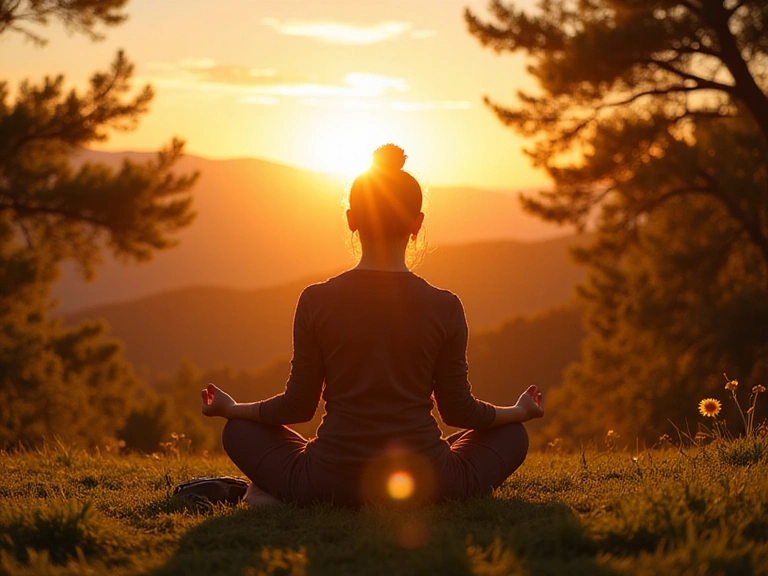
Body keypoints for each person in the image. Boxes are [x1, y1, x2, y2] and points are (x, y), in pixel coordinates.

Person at [201, 144, 544, 508]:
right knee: (513, 436)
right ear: (418, 223)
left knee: (239, 431)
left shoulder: (316, 300)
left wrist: (232, 408)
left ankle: (284, 494)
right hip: (429, 478)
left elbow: (297, 407)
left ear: (352, 219)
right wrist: (520, 412)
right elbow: (459, 412)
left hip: (327, 477)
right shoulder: (445, 306)